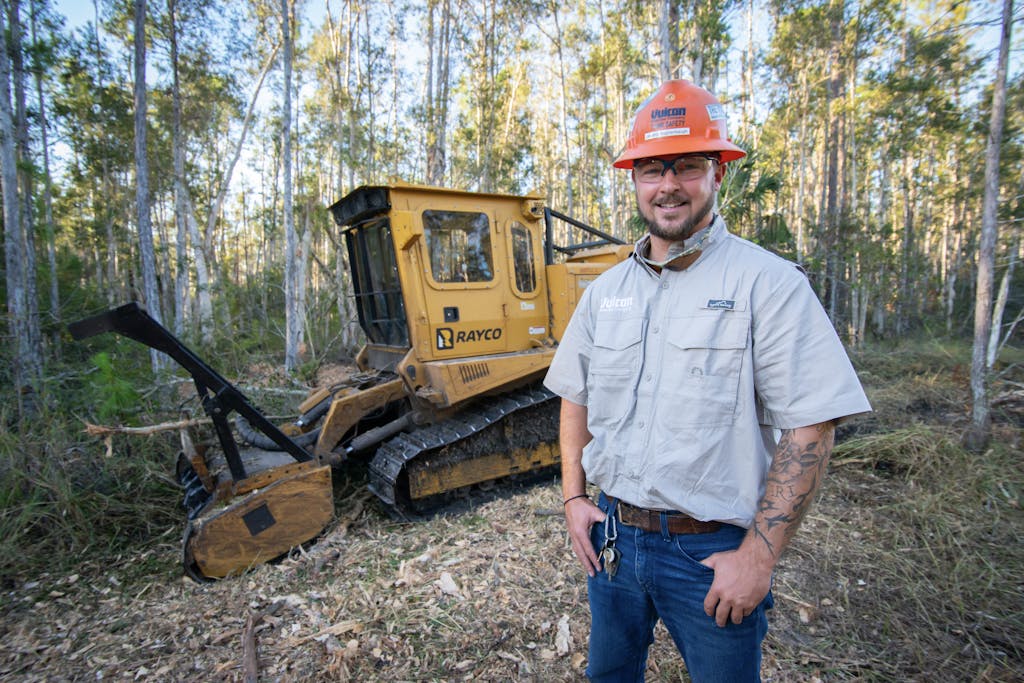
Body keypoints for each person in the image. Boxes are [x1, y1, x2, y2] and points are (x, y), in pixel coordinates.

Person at [543, 79, 872, 682]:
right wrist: (572, 499)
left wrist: (759, 557)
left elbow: (812, 427)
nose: (668, 185)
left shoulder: (767, 285)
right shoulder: (606, 294)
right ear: (634, 179)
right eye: (651, 169)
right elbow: (575, 398)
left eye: (687, 166)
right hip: (614, 543)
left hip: (709, 552)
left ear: (717, 172)